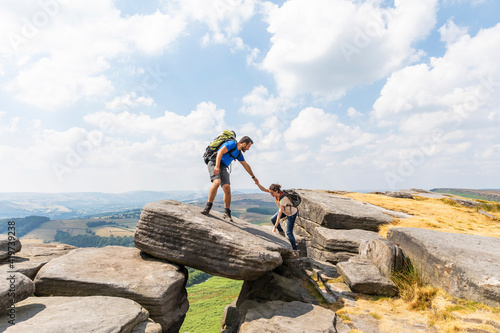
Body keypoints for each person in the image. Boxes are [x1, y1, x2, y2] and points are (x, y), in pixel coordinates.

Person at [201, 136, 258, 222]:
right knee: (217, 182)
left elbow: (246, 165)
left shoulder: (238, 153)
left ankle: (227, 212)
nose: (248, 149)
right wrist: (216, 166)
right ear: (244, 144)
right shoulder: (231, 144)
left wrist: (253, 177)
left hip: (223, 167)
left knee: (227, 187)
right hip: (214, 162)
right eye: (248, 146)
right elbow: (220, 152)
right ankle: (208, 207)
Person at [255, 182, 299, 257]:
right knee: (273, 219)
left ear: (276, 191)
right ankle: (281, 232)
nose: (271, 194)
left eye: (272, 193)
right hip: (285, 210)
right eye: (270, 193)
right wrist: (258, 184)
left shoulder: (283, 199)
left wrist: (274, 228)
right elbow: (263, 189)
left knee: (289, 232)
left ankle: (295, 250)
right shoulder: (276, 194)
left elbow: (279, 214)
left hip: (291, 213)